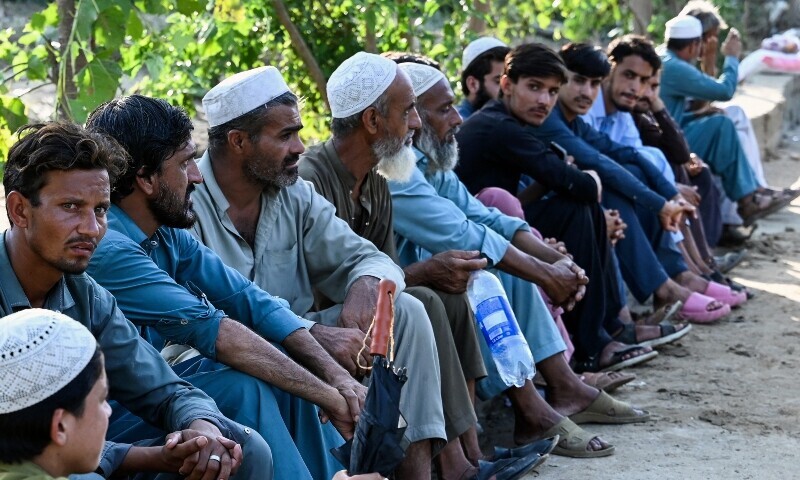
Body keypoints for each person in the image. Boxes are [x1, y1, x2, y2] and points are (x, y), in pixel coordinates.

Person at [187, 63, 468, 480]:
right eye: (286, 135)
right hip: (223, 352)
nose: (300, 147)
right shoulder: (188, 205)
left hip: (301, 337)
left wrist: (363, 288)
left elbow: (370, 257)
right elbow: (210, 325)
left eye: (299, 133)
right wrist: (313, 334)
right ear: (239, 141)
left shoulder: (294, 193)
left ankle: (417, 473)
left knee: (404, 311)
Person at [386, 49, 655, 459]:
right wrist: (544, 272)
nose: (458, 118)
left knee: (502, 260)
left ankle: (562, 385)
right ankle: (533, 409)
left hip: (432, 269)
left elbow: (483, 216)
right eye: (444, 110)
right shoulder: (397, 171)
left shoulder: (430, 162)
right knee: (487, 270)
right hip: (402, 284)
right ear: (412, 116)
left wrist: (552, 261)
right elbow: (463, 231)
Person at [297, 54, 551, 478]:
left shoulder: (378, 179)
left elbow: (388, 267)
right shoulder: (312, 179)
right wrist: (426, 272)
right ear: (373, 122)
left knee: (445, 298)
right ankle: (449, 467)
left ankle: (468, 456)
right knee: (424, 304)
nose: (416, 123)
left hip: (368, 315)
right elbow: (331, 292)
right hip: (325, 325)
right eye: (408, 110)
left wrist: (426, 274)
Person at [84, 96, 360, 480]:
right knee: (240, 386)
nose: (197, 176)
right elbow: (213, 329)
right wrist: (332, 396)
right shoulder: (109, 247)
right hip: (99, 424)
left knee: (281, 358)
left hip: (146, 400)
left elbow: (251, 302)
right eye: (184, 163)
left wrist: (337, 378)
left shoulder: (164, 234)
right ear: (146, 178)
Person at [1, 122, 272, 479]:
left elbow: (163, 390)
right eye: (71, 207)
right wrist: (147, 457)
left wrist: (201, 427)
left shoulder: (86, 295)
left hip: (82, 442)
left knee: (238, 446)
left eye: (100, 210)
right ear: (20, 210)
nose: (92, 228)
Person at [453, 43, 682, 372]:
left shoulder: (510, 122)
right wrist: (584, 178)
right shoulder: (499, 126)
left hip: (496, 225)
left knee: (577, 206)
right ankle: (594, 344)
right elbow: (578, 183)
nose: (544, 101)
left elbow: (529, 193)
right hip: (473, 238)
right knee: (579, 205)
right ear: (507, 85)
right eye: (534, 88)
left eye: (551, 91)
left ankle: (607, 330)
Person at [531, 42, 732, 324]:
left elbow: (624, 152)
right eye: (578, 81)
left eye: (593, 84)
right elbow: (599, 162)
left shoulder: (573, 121)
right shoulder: (551, 120)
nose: (587, 92)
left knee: (631, 170)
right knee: (606, 188)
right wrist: (661, 204)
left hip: (555, 208)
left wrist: (670, 196)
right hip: (526, 217)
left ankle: (674, 280)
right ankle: (633, 313)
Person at [581, 35, 745, 308]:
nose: (636, 88)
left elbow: (664, 153)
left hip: (628, 186)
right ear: (609, 70)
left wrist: (668, 193)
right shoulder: (587, 104)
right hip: (586, 192)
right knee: (642, 175)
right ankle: (679, 278)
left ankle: (691, 270)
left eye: (645, 82)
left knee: (666, 170)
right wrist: (665, 195)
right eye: (629, 75)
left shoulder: (623, 112)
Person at [659, 15, 791, 227]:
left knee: (722, 119)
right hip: (666, 141)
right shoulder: (675, 66)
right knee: (722, 126)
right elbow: (725, 90)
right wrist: (731, 57)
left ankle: (753, 193)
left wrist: (709, 64)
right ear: (694, 45)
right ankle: (747, 201)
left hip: (671, 131)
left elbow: (678, 110)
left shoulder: (667, 59)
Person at [457, 37, 510, 119]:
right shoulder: (457, 124)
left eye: (510, 82)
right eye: (498, 81)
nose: (508, 90)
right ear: (472, 84)